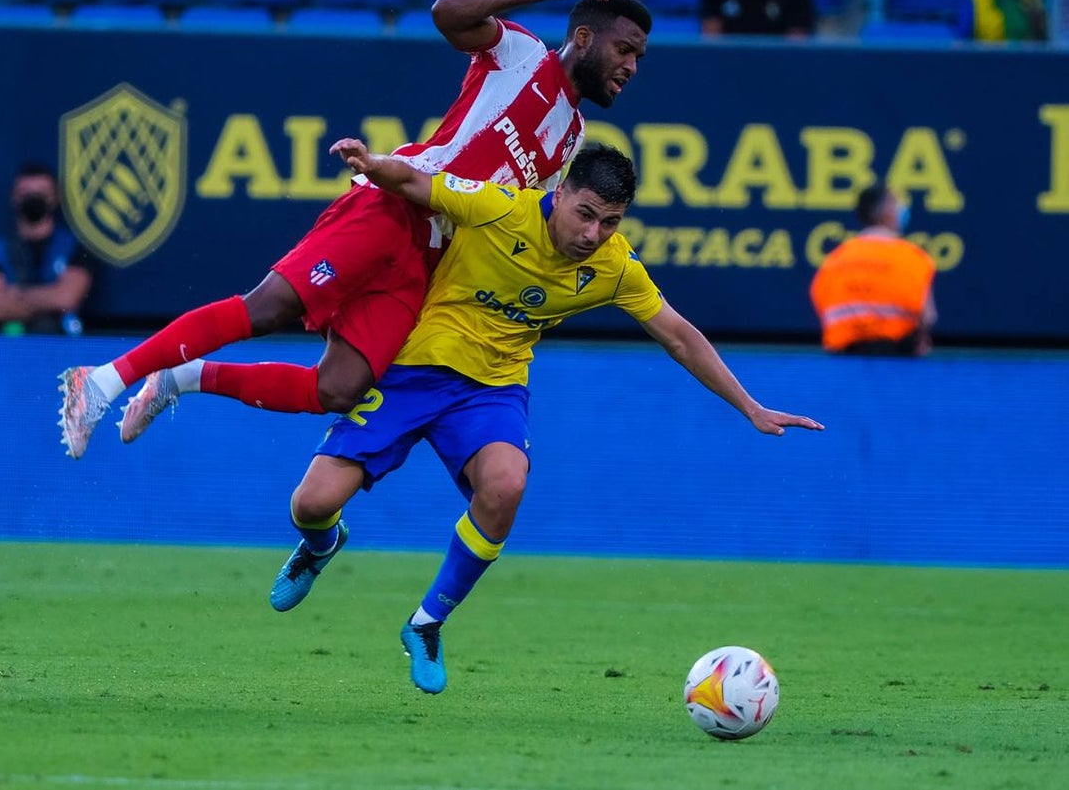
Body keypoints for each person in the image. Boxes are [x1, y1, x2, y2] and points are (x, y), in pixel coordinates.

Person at [266, 139, 824, 695]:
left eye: (609, 222)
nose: (592, 235)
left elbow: (678, 336)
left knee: (506, 486)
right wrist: (373, 166)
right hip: (411, 370)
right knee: (311, 505)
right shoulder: (500, 207)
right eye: (585, 214)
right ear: (559, 194)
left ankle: (427, 622)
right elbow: (418, 183)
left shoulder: (613, 267)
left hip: (492, 389)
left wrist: (749, 406)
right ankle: (321, 545)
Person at [58, 0, 653, 459]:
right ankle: (103, 379)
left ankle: (183, 378)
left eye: (639, 57)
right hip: (392, 207)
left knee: (341, 387)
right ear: (581, 37)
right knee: (267, 308)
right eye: (624, 49)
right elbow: (448, 13)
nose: (630, 66)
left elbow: (509, 218)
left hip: (431, 256)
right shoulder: (522, 55)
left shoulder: (573, 136)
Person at [809, 182, 937, 356]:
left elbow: (821, 304)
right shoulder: (912, 258)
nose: (901, 208)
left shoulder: (835, 260)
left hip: (844, 362)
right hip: (899, 362)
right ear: (885, 212)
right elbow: (927, 317)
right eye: (895, 203)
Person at [0, 163, 94, 336]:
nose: (33, 199)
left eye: (41, 193)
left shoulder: (74, 248)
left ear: (55, 197)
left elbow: (66, 299)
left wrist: (13, 295)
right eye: (26, 193)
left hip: (61, 343)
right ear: (14, 197)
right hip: (4, 345)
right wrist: (49, 299)